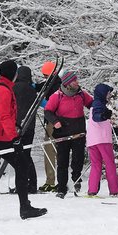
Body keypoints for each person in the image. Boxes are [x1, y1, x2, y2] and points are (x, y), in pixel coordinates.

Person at [0, 59, 47, 222]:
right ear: (13, 73)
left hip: (0, 137)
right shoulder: (3, 90)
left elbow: (6, 115)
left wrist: (15, 128)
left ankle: (25, 207)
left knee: (22, 165)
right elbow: (3, 116)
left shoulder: (5, 88)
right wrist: (15, 138)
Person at [44, 70, 93, 198]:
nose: (77, 82)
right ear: (67, 83)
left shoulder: (82, 94)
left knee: (78, 160)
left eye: (77, 80)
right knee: (62, 161)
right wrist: (55, 122)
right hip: (63, 133)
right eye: (74, 80)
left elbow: (92, 105)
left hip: (79, 132)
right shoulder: (57, 95)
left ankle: (77, 180)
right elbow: (48, 111)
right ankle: (61, 188)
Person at [86, 83, 118, 196]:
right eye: (108, 93)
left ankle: (92, 189)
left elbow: (97, 124)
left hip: (92, 140)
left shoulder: (94, 105)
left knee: (96, 165)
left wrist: (112, 130)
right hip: (103, 141)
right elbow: (97, 117)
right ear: (102, 94)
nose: (109, 95)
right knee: (109, 164)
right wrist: (103, 116)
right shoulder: (99, 104)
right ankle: (114, 189)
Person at [12, 66, 38, 193]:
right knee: (26, 155)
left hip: (17, 126)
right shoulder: (32, 90)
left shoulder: (13, 88)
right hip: (30, 126)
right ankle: (32, 183)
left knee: (18, 156)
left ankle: (22, 184)